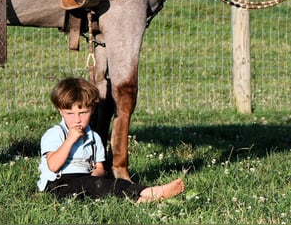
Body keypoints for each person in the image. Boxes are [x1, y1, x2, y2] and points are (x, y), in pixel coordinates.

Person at [37, 77, 185, 202]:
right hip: (58, 184)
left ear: (92, 110)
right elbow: (53, 165)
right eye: (70, 114)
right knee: (94, 185)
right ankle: (152, 192)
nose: (77, 119)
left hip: (87, 180)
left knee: (110, 183)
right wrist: (69, 140)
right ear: (60, 111)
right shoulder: (55, 134)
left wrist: (97, 175)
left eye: (82, 113)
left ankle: (142, 199)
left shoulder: (94, 137)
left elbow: (100, 167)